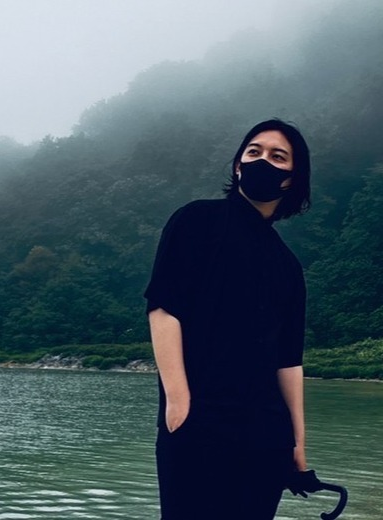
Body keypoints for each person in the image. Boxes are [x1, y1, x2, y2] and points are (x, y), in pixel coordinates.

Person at [144, 118, 311, 520]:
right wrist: (178, 403)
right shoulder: (196, 220)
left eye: (278, 156)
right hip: (199, 420)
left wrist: (298, 442)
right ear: (238, 166)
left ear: (291, 178)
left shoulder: (288, 265)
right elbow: (164, 308)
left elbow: (289, 362)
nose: (262, 161)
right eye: (253, 152)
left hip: (266, 434)